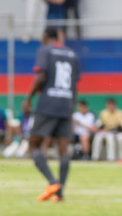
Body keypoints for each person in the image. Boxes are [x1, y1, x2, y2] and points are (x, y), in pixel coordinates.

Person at [25, 27, 81, 202]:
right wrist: (71, 108)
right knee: (63, 150)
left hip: (48, 103)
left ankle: (53, 182)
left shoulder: (45, 50)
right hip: (66, 103)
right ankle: (60, 194)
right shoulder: (71, 54)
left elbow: (41, 76)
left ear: (45, 36)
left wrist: (29, 98)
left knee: (33, 145)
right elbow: (74, 84)